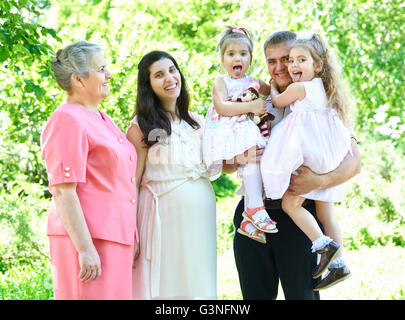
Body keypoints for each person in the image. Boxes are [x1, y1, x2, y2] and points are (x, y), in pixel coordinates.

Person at [229, 31, 361, 299]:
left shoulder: (324, 100)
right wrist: (235, 158)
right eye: (271, 61)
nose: (280, 67)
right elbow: (226, 163)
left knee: (301, 296)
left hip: (297, 219)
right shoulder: (255, 99)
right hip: (253, 217)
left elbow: (354, 162)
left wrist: (320, 181)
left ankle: (334, 260)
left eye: (286, 59)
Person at [41, 41, 139, 299]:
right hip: (87, 239)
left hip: (114, 237)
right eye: (102, 69)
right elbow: (63, 192)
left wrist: (132, 233)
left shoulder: (102, 118)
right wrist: (84, 248)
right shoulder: (67, 119)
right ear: (79, 80)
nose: (109, 74)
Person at [261, 32, 353, 286]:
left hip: (311, 157)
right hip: (329, 156)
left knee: (291, 204)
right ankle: (339, 265)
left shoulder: (299, 88)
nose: (292, 66)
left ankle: (322, 245)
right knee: (327, 213)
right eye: (291, 60)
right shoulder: (326, 90)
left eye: (300, 60)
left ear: (318, 65)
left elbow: (278, 101)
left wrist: (270, 86)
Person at [127, 50, 217, 299]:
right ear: (148, 85)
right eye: (159, 75)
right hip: (162, 217)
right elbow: (131, 182)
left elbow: (219, 164)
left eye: (172, 70)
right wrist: (130, 231)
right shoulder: (140, 127)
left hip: (200, 218)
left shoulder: (196, 122)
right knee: (169, 283)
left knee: (198, 281)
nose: (169, 78)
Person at [203, 26, 276, 244]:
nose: (238, 58)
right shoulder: (221, 82)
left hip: (246, 128)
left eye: (243, 54)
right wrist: (251, 105)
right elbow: (223, 107)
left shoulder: (253, 81)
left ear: (251, 58)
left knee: (255, 163)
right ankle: (254, 207)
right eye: (231, 54)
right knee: (250, 158)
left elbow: (273, 91)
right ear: (223, 58)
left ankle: (248, 216)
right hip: (229, 131)